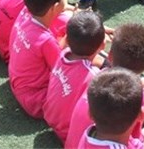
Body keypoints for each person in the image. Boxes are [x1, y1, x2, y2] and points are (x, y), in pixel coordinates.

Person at [8, 0, 67, 119]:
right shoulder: (45, 40)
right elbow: (63, 70)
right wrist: (70, 38)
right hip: (38, 101)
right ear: (55, 7)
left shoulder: (25, 14)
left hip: (20, 88)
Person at [44, 11, 106, 142]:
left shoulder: (64, 53)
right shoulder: (93, 77)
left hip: (50, 117)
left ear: (67, 39)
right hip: (68, 133)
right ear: (102, 46)